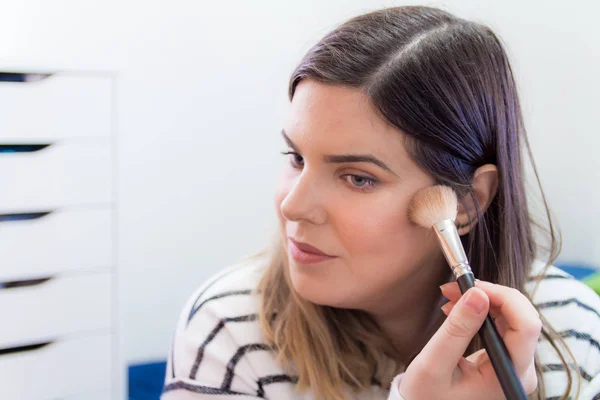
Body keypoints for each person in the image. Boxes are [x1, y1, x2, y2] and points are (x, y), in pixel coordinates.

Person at [161, 6, 600, 399]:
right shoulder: (231, 328)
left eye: (357, 178)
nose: (293, 207)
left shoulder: (572, 327)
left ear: (466, 202)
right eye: (296, 157)